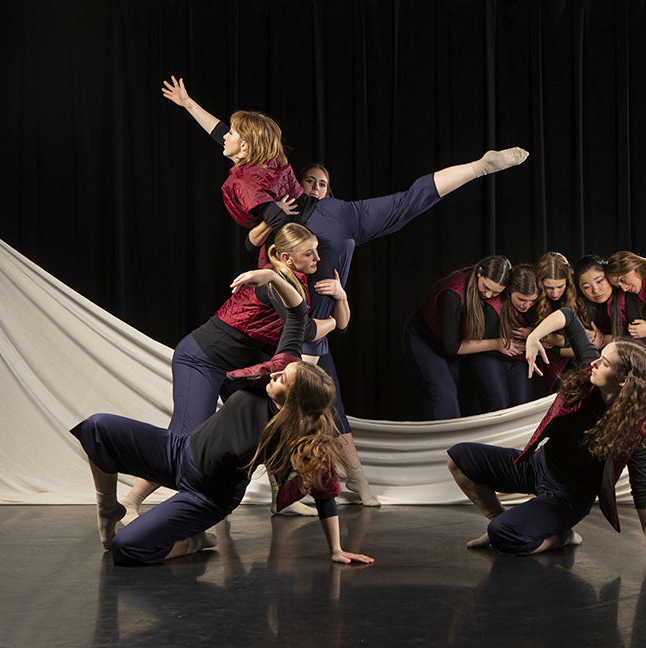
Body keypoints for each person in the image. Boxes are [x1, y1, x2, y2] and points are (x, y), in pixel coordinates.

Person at [163, 75, 529, 503]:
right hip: (322, 247)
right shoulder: (273, 160)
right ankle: (306, 484)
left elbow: (267, 215)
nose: (228, 136)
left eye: (235, 134)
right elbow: (228, 139)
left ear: (247, 143)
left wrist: (259, 233)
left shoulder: (250, 181)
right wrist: (189, 105)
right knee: (405, 203)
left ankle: (301, 484)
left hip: (302, 267)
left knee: (294, 393)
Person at [72, 269, 374, 566]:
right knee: (98, 427)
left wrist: (336, 549)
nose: (277, 371)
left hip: (208, 496)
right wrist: (272, 278)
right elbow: (296, 315)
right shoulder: (277, 370)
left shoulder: (295, 434)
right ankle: (109, 508)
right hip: (178, 453)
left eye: (284, 379)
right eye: (283, 370)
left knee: (126, 549)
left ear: (294, 401)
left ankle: (193, 541)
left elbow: (326, 491)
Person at [120, 223, 345, 519]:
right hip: (200, 360)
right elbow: (304, 330)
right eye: (309, 253)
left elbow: (311, 324)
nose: (318, 258)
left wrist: (340, 299)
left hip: (236, 366)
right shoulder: (274, 282)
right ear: (288, 258)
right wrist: (332, 323)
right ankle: (130, 502)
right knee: (185, 437)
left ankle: (279, 498)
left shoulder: (295, 280)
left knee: (271, 420)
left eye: (316, 250)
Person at [445, 305, 646, 560]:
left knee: (503, 536)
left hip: (567, 497)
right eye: (599, 356)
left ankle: (561, 536)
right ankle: (501, 518)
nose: (595, 362)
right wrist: (533, 337)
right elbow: (569, 317)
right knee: (459, 457)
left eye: (605, 362)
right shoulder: (590, 374)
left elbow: (641, 486)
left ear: (623, 380)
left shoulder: (633, 427)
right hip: (537, 465)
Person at [403, 256, 517, 420]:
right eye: (486, 287)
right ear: (479, 272)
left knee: (465, 395)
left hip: (452, 341)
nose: (488, 294)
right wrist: (496, 343)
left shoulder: (492, 292)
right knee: (445, 394)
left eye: (496, 292)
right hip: (423, 336)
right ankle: (447, 444)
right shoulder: (452, 295)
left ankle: (466, 443)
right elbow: (451, 347)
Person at [470, 264, 540, 412]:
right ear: (510, 291)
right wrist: (500, 344)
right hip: (489, 356)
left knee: (522, 406)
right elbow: (477, 342)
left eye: (532, 300)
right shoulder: (492, 307)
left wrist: (534, 333)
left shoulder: (536, 307)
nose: (527, 305)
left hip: (518, 359)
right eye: (522, 299)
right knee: (499, 403)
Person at [533, 251, 584, 390]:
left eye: (560, 286)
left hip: (579, 361)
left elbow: (584, 341)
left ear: (568, 280)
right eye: (549, 287)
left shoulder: (579, 294)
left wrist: (550, 339)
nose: (554, 293)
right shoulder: (533, 299)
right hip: (548, 364)